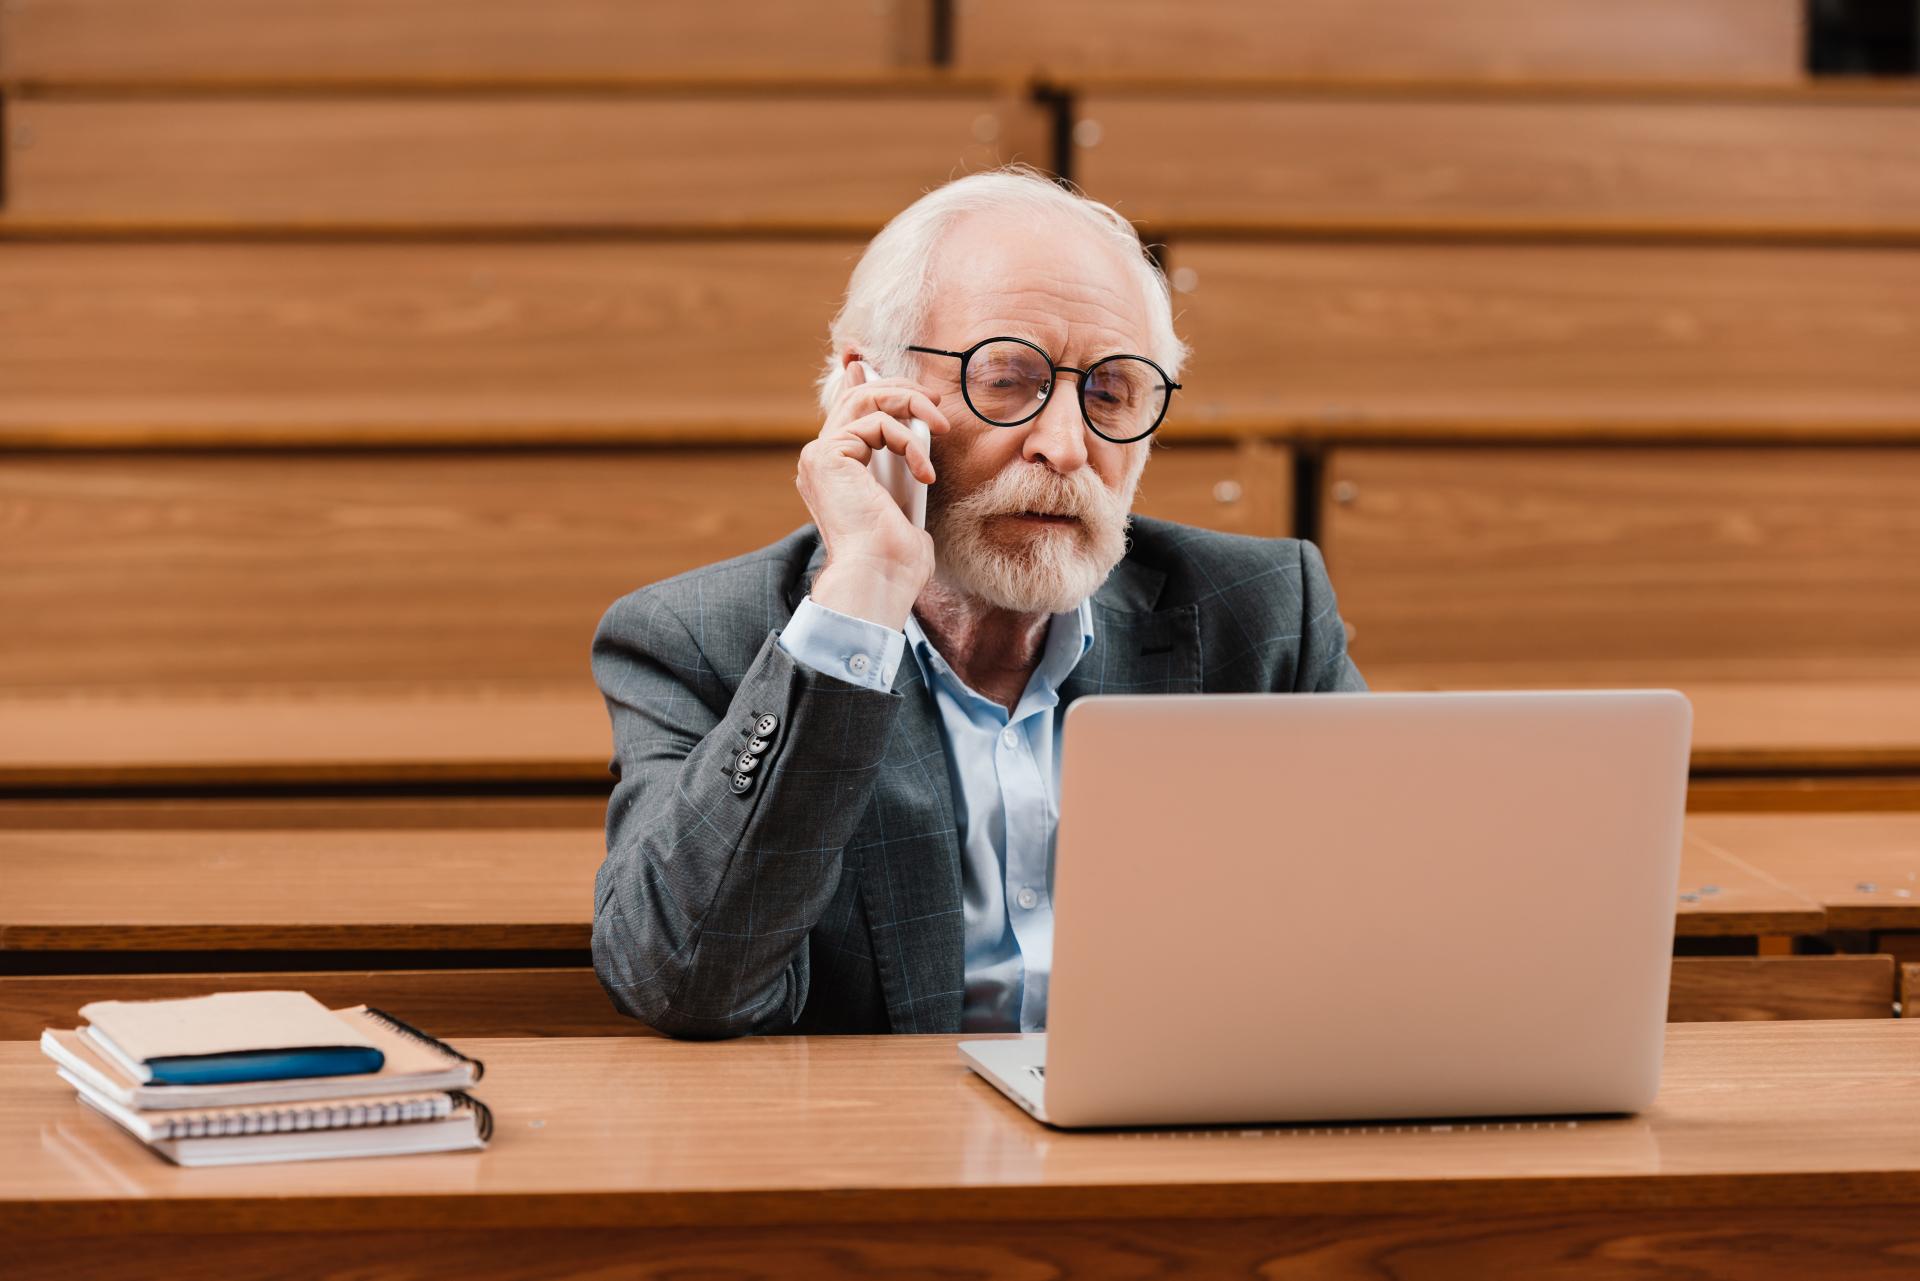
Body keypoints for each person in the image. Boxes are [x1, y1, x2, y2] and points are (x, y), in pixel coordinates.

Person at [591, 167, 1364, 1038]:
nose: (1068, 446)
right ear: (866, 390)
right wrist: (863, 594)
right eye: (1007, 379)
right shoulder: (698, 642)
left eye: (1111, 392)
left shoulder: (1261, 617)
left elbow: (1388, 938)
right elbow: (684, 981)